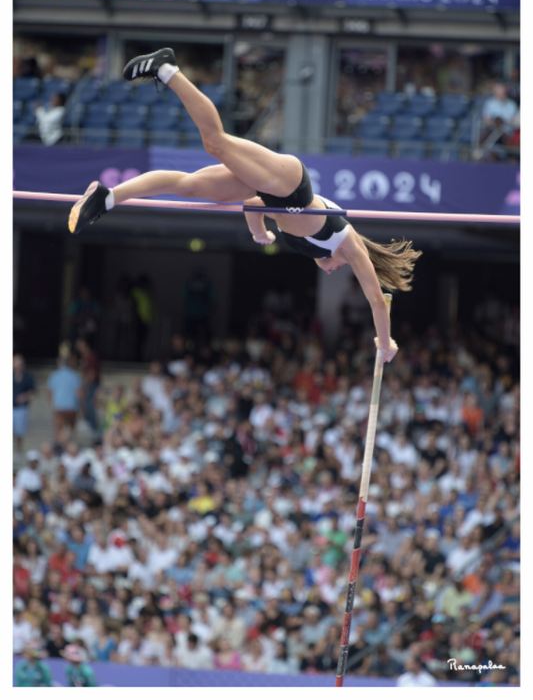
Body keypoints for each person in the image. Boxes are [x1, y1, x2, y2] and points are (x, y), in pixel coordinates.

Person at [68, 47, 422, 363]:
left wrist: (259, 234)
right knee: (216, 143)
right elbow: (377, 300)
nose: (330, 270)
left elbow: (254, 204)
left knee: (187, 186)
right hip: (291, 184)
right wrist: (386, 341)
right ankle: (167, 69)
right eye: (337, 268)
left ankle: (107, 196)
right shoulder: (348, 242)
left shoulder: (315, 248)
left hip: (272, 194)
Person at [13, 354, 35, 457]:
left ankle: (18, 450)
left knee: (19, 432)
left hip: (21, 408)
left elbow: (33, 392)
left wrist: (24, 397)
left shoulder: (27, 377)